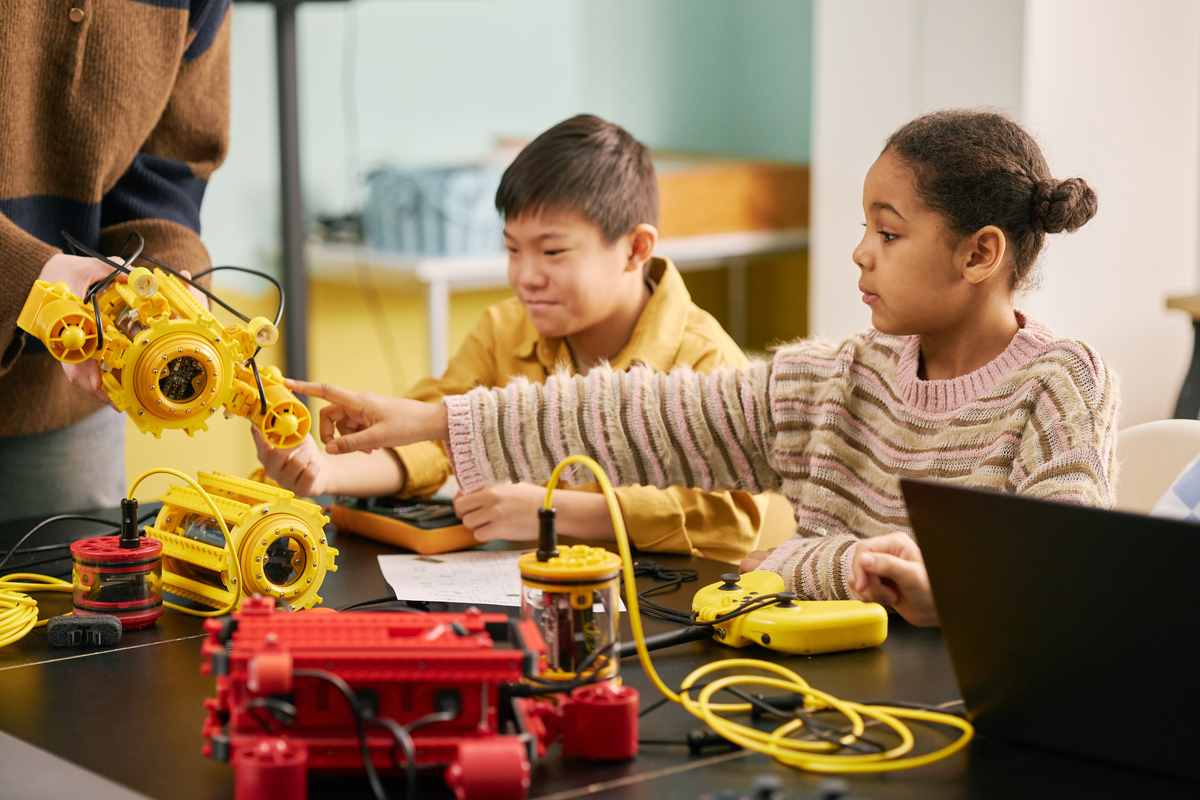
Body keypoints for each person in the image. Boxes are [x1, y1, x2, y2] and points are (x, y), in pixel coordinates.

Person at [283, 109, 1118, 627]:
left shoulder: (1060, 383)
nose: (860, 253)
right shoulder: (831, 380)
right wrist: (429, 419)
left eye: (889, 234)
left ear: (980, 254)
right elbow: (629, 419)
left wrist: (944, 596)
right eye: (866, 227)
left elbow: (1068, 596)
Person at [255, 114, 767, 563]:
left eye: (552, 252)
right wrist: (323, 472)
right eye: (513, 250)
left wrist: (554, 513)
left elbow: (730, 519)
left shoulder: (705, 357)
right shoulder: (504, 329)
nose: (526, 276)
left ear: (635, 248)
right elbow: (434, 440)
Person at [0, 1, 231, 522]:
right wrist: (28, 276)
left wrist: (173, 281)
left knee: (71, 594)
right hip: (60, 355)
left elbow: (163, 174)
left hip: (57, 407)